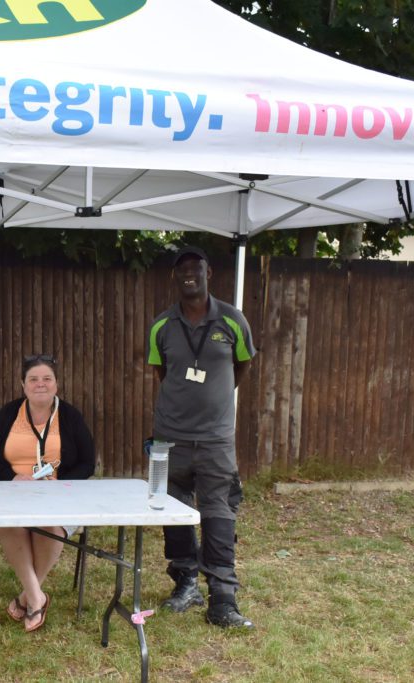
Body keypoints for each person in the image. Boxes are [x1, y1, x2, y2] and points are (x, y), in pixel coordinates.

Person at [147, 246, 256, 629]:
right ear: (175, 277)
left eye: (196, 268)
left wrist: (216, 402)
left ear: (209, 271)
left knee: (218, 514)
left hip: (215, 441)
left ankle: (223, 598)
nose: (189, 274)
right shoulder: (162, 325)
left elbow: (242, 365)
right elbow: (163, 374)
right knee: (172, 510)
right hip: (169, 439)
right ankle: (185, 582)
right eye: (182, 270)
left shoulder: (233, 320)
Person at [0, 354, 95, 633]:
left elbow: (88, 462)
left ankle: (26, 597)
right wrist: (12, 477)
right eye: (33, 379)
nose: (40, 384)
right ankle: (37, 597)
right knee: (9, 525)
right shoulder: (9, 414)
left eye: (47, 379)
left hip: (61, 496)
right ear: (23, 385)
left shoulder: (70, 416)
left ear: (56, 385)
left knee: (50, 527)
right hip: (13, 493)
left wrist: (60, 484)